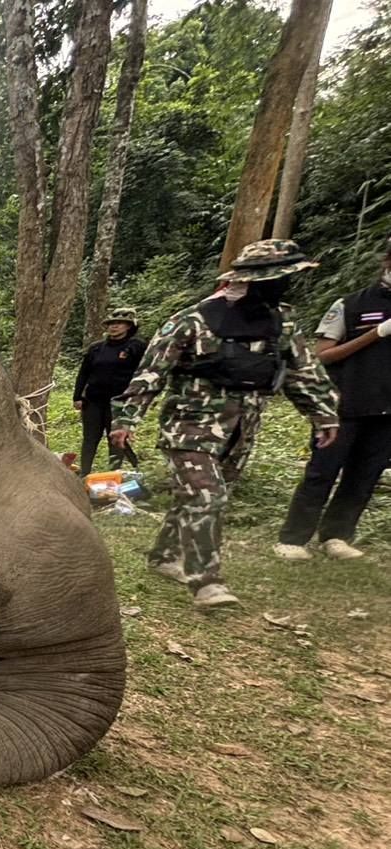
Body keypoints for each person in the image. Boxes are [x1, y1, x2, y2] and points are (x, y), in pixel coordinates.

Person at [109, 239, 339, 608]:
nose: (283, 285)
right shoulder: (192, 321)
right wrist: (126, 419)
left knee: (197, 498)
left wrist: (322, 413)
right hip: (189, 428)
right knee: (207, 496)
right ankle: (207, 583)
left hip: (240, 431)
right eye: (278, 278)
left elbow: (302, 372)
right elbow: (151, 373)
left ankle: (164, 556)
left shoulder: (282, 322)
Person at [275, 235, 391, 561]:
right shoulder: (352, 304)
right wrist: (376, 333)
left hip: (386, 410)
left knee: (364, 476)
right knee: (321, 472)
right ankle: (293, 537)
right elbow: (323, 354)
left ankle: (337, 536)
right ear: (386, 262)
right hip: (344, 404)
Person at [73, 308, 145, 476]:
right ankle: (84, 473)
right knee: (90, 438)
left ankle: (114, 474)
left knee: (116, 439)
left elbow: (144, 372)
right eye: (111, 323)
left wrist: (138, 397)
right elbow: (84, 373)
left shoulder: (136, 347)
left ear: (129, 326)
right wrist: (77, 396)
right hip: (94, 400)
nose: (114, 326)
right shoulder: (96, 348)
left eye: (119, 323)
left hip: (120, 402)